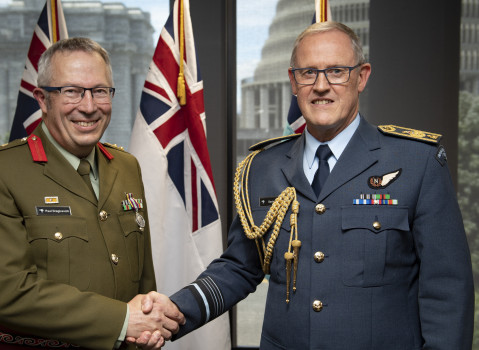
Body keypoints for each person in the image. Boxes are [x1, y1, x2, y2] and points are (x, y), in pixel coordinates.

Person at [137, 21, 475, 349]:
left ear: (362, 76)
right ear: (293, 81)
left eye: (337, 71)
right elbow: (239, 267)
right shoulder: (261, 167)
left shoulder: (416, 162)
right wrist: (178, 309)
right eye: (308, 72)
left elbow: (447, 289)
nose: (321, 85)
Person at [0, 37, 184, 350]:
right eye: (72, 91)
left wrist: (145, 329)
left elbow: (142, 282)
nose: (90, 106)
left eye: (99, 91)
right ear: (42, 99)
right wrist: (123, 321)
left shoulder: (126, 166)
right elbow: (7, 294)